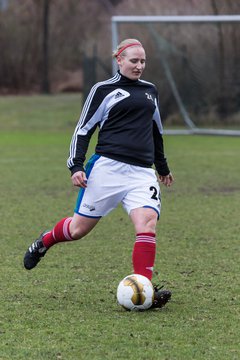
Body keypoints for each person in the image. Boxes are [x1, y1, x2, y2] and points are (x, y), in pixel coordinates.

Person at [24, 38, 174, 309]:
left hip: (141, 172)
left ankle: (145, 291)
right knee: (78, 229)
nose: (139, 66)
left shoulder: (151, 90)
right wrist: (76, 166)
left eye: (143, 61)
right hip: (107, 169)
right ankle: (44, 241)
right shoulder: (103, 90)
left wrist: (162, 167)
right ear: (119, 60)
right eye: (133, 61)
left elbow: (156, 131)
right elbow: (83, 129)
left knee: (147, 224)